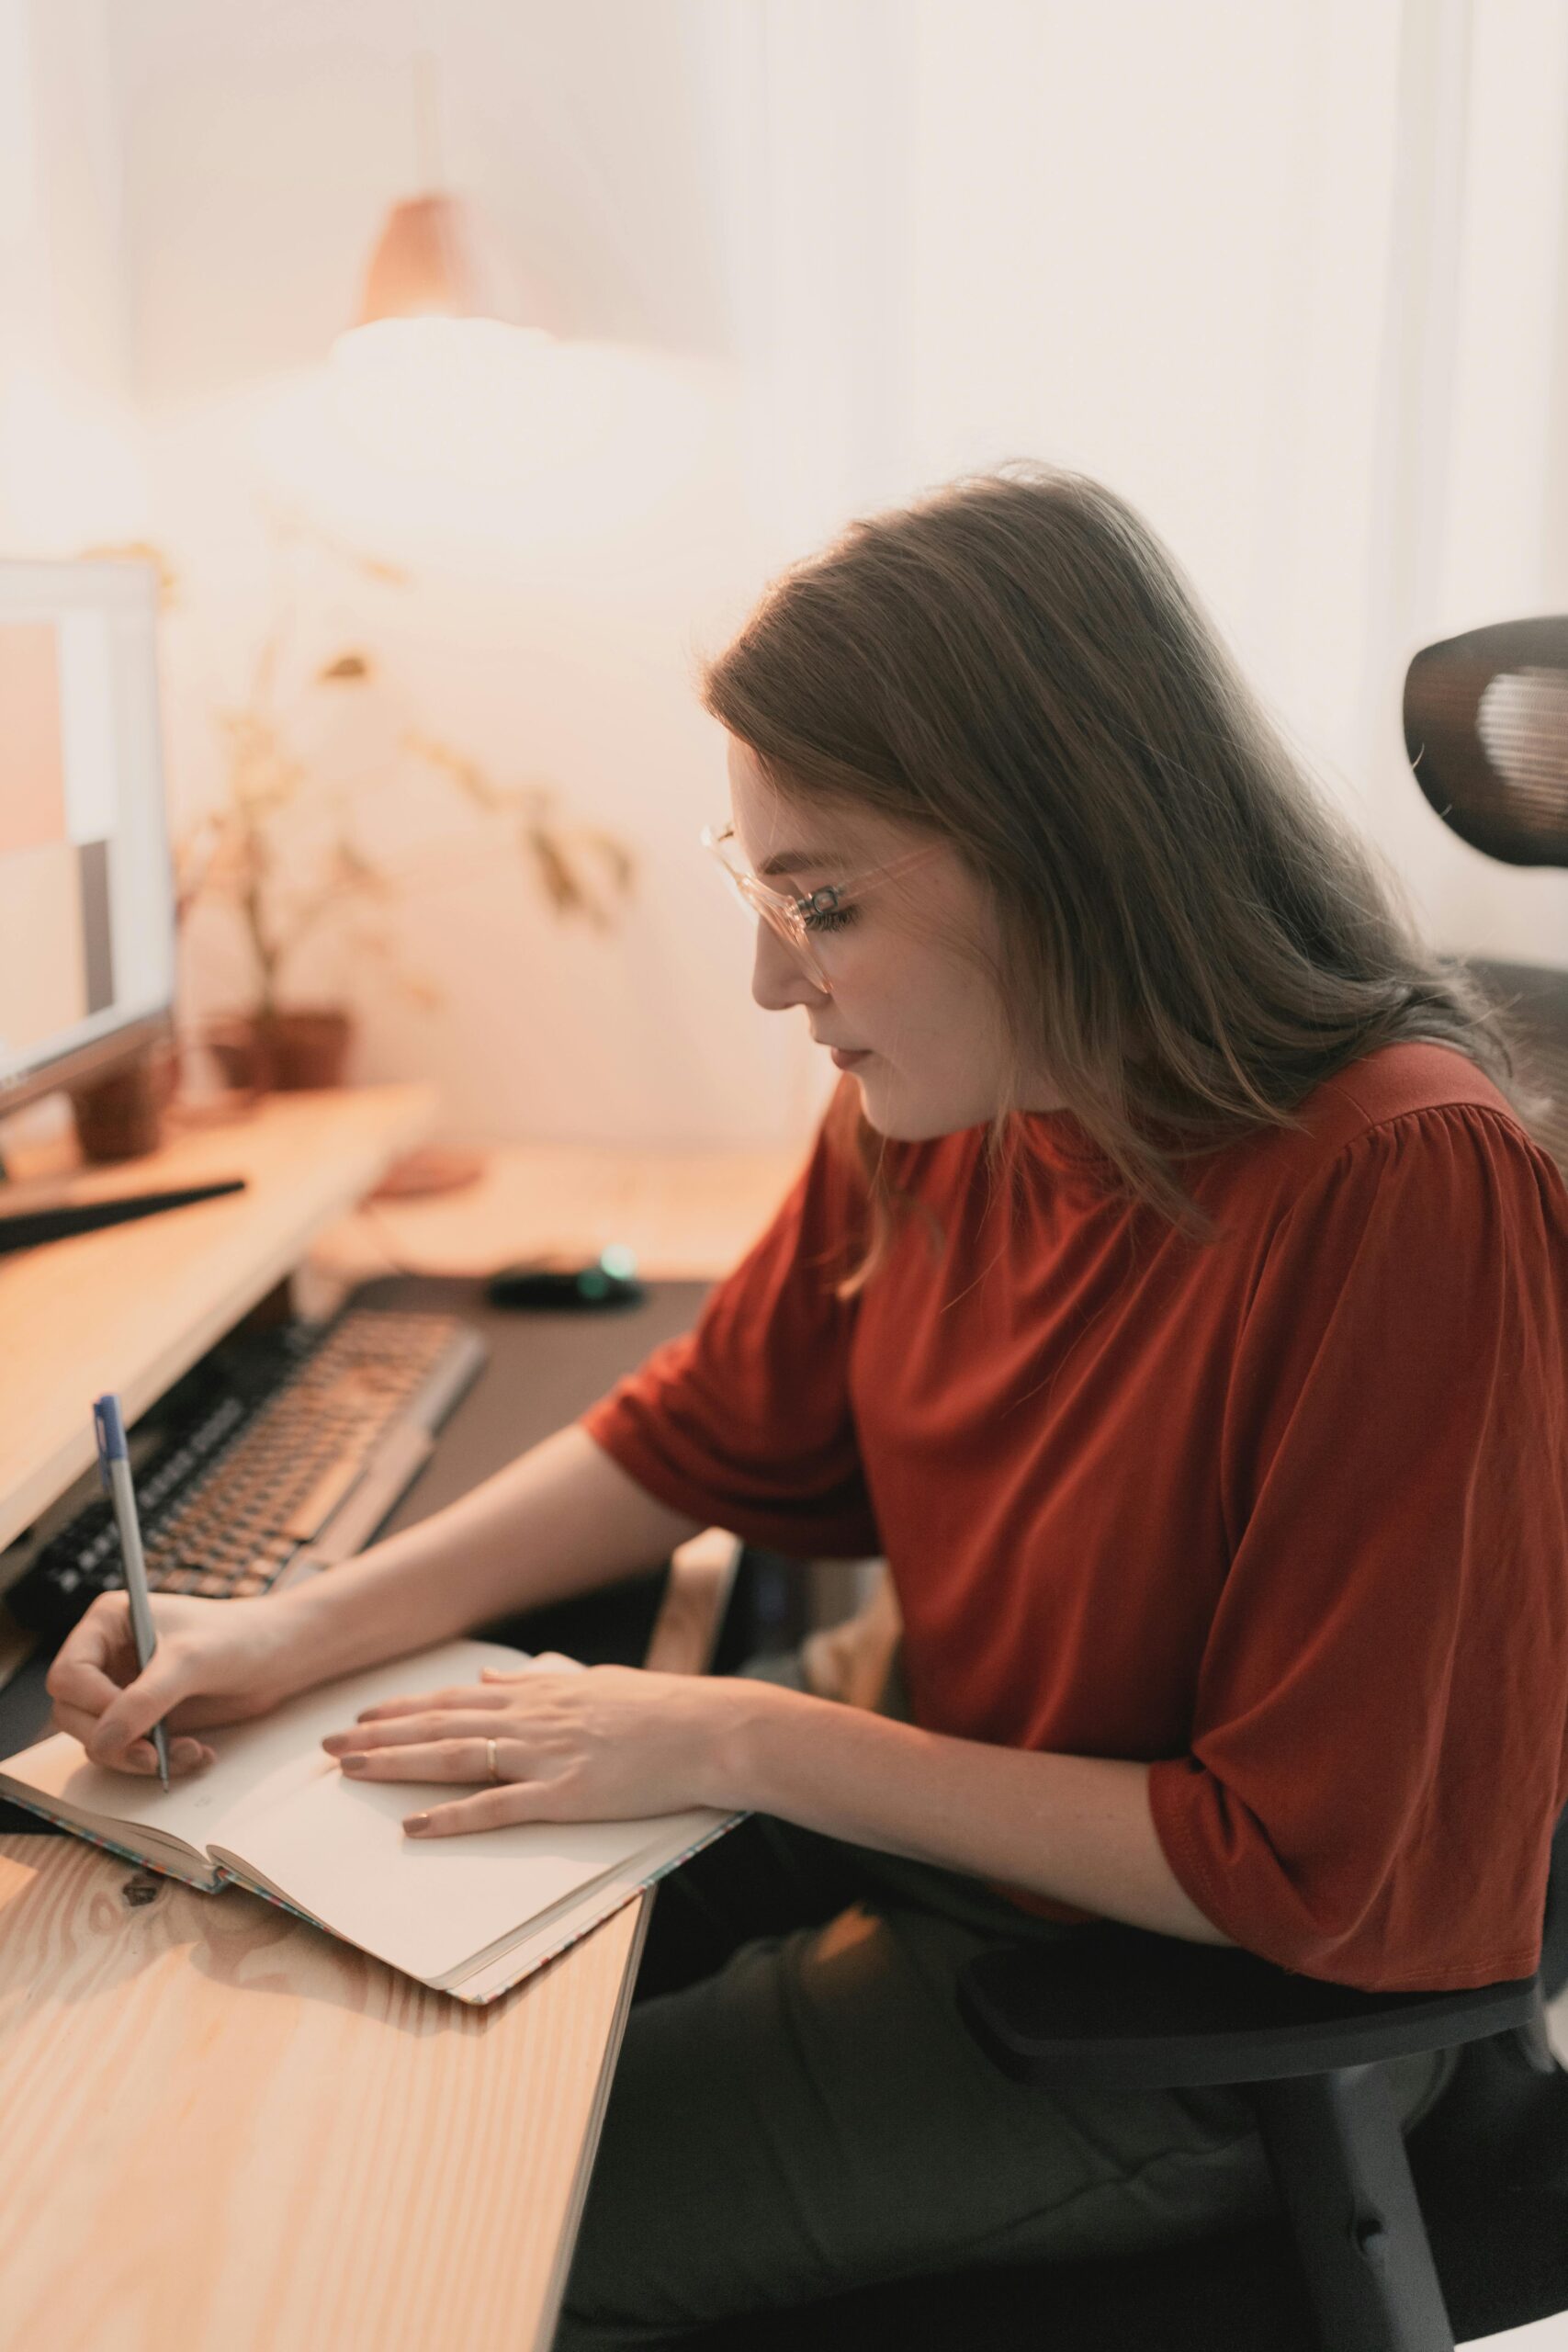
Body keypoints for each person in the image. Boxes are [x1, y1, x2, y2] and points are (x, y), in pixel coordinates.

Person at [47, 463, 1568, 2347]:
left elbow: (1325, 1871)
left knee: (389, 2246)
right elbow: (707, 1426)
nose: (775, 979)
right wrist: (292, 1620)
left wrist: (742, 1740)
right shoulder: (943, 1096)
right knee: (286, 2022)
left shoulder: (1392, 1184)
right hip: (941, 1816)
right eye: (755, 887)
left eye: (823, 903)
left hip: (1159, 2008)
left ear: (1065, 857)